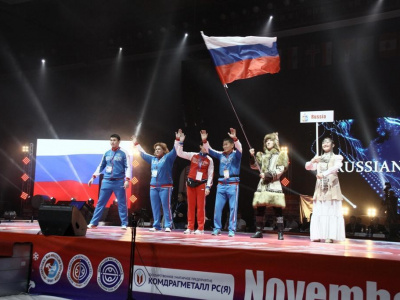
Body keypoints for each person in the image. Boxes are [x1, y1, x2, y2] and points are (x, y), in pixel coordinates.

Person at [132, 133, 179, 232]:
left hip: (166, 187)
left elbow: (175, 151)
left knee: (166, 206)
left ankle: (168, 225)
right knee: (155, 207)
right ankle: (156, 225)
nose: (156, 151)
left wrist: (178, 139)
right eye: (156, 149)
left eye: (159, 149)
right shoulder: (152, 159)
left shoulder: (168, 158)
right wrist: (136, 143)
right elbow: (142, 153)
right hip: (153, 187)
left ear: (164, 150)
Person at [202, 128, 242, 237]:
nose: (224, 146)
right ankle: (217, 228)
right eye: (223, 145)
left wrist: (235, 138)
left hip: (233, 184)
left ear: (232, 145)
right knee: (217, 207)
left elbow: (240, 148)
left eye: (226, 145)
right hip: (221, 184)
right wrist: (205, 141)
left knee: (233, 208)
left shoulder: (236, 155)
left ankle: (231, 230)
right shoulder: (221, 154)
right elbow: (209, 150)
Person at [305, 137, 346, 243]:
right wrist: (313, 160)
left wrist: (323, 174)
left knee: (330, 210)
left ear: (333, 145)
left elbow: (336, 167)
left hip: (332, 186)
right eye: (323, 142)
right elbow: (308, 167)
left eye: (328, 142)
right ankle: (318, 235)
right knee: (319, 210)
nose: (325, 143)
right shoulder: (319, 158)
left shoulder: (337, 157)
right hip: (320, 188)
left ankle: (329, 235)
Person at [87, 134, 131, 230]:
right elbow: (101, 166)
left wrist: (127, 180)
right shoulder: (106, 153)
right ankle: (93, 223)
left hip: (119, 181)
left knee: (122, 203)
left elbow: (128, 167)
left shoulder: (124, 153)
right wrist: (93, 177)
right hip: (106, 181)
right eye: (111, 140)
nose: (112, 142)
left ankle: (124, 223)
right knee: (100, 203)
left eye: (114, 140)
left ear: (119, 141)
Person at [250, 132, 289, 240]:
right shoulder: (262, 155)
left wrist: (267, 175)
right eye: (266, 141)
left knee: (277, 210)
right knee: (260, 209)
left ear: (275, 142)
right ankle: (259, 231)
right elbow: (254, 166)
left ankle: (280, 232)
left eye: (270, 140)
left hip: (274, 184)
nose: (268, 142)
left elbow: (280, 169)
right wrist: (252, 156)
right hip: (263, 186)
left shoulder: (280, 155)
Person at [176, 130, 214, 234]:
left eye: (208, 147)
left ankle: (200, 228)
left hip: (201, 184)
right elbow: (180, 153)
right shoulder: (193, 155)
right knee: (190, 206)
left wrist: (208, 187)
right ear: (200, 146)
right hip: (190, 183)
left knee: (200, 207)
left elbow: (210, 175)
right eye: (205, 146)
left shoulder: (210, 160)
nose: (206, 148)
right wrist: (181, 142)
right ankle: (190, 227)